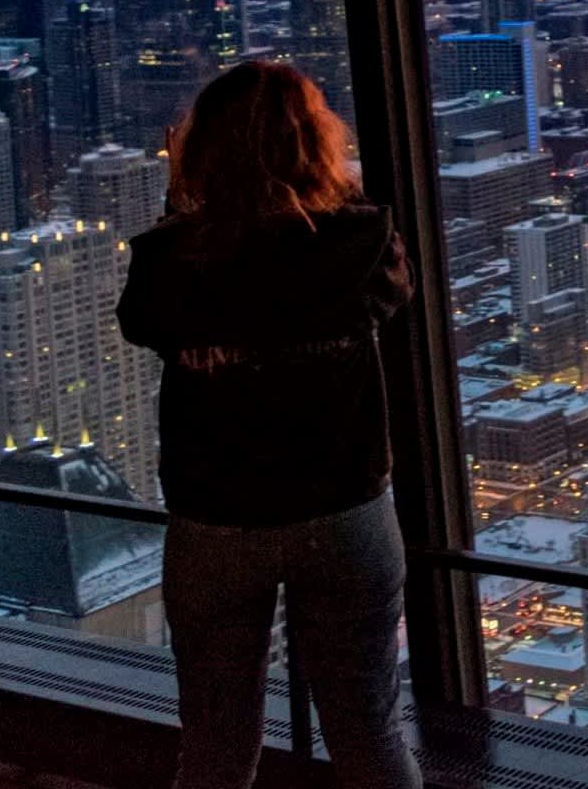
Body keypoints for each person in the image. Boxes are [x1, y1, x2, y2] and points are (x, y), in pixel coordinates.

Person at [116, 61, 420, 789]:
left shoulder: (171, 257)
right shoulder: (362, 242)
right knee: (369, 729)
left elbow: (145, 317)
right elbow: (380, 284)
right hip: (345, 508)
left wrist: (181, 192)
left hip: (218, 517)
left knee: (217, 743)